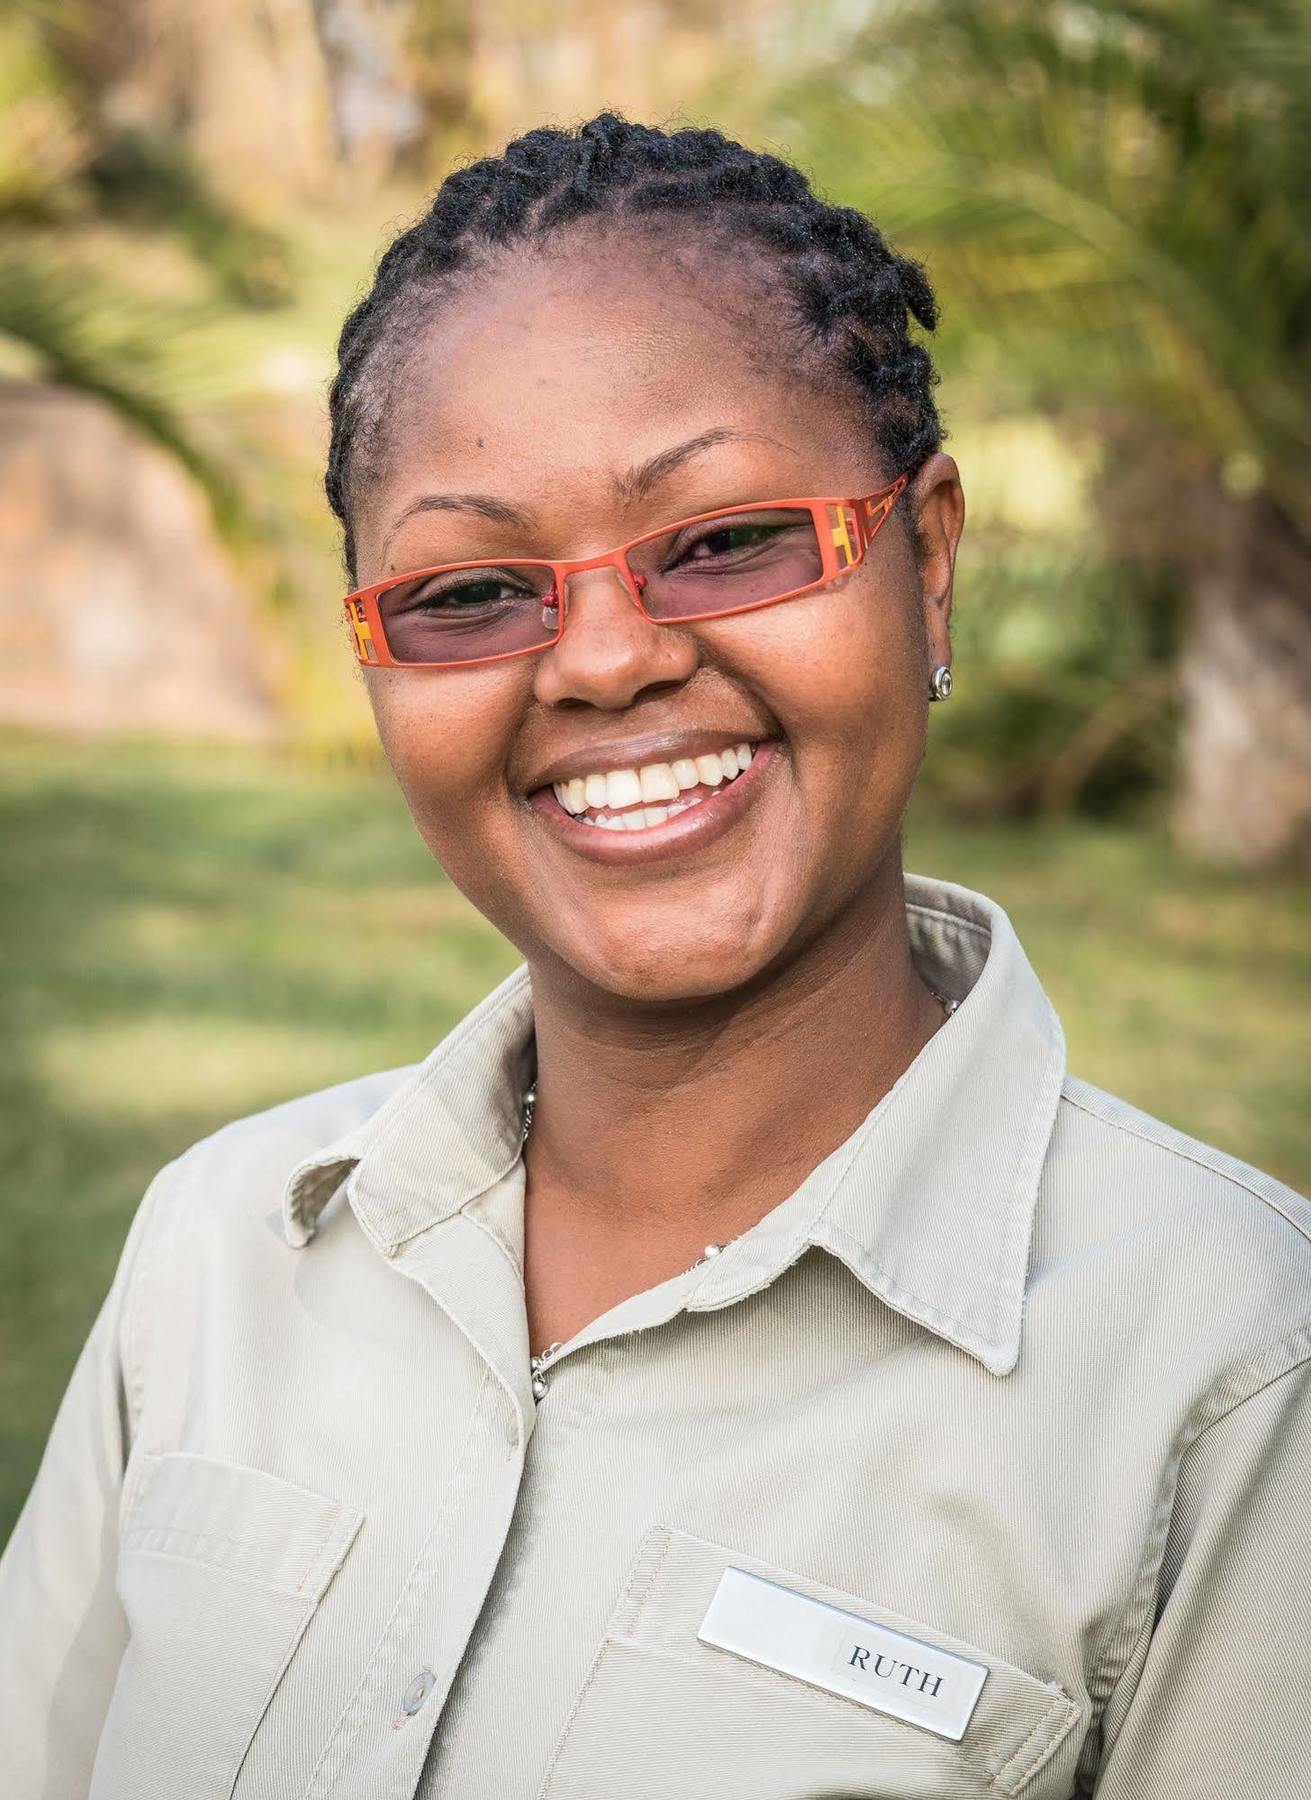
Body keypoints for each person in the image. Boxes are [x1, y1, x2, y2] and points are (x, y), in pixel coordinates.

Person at [1, 112, 1308, 1800]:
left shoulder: (1230, 1378)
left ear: (930, 564)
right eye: (473, 591)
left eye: (725, 540)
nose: (608, 661)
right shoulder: (223, 1252)